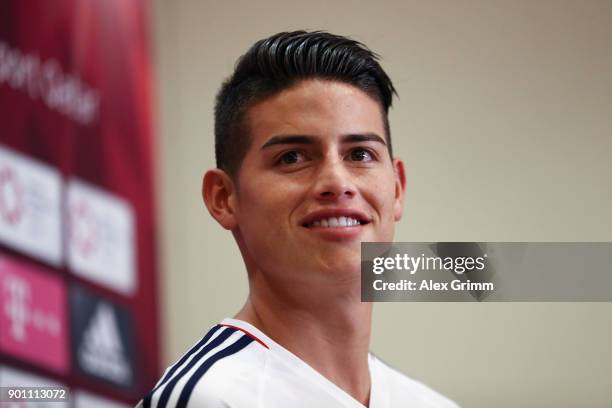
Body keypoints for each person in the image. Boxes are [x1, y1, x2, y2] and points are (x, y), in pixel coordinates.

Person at [138, 30, 459, 408]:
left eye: (360, 154)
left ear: (398, 188)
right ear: (223, 198)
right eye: (292, 157)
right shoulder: (209, 398)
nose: (337, 183)